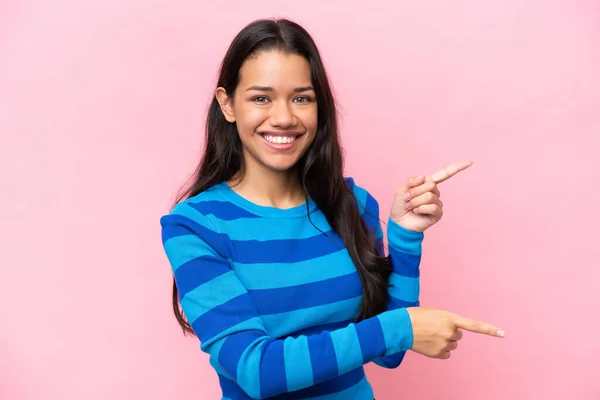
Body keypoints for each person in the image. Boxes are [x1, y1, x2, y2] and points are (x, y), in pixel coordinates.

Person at [160, 17, 504, 400]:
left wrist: (405, 239)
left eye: (301, 98)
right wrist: (401, 328)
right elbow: (255, 370)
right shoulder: (194, 226)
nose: (284, 117)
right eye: (261, 98)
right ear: (227, 104)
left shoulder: (351, 205)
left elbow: (389, 356)